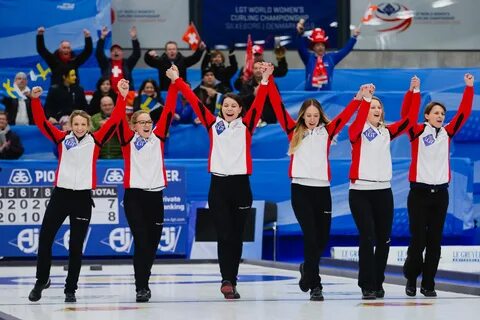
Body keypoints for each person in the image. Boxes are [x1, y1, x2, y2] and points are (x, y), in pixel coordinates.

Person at [169, 62, 273, 299]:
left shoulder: (247, 126)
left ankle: (232, 281)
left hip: (241, 186)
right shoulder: (212, 124)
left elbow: (259, 102)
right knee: (224, 234)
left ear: (240, 109)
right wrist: (177, 79)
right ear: (221, 108)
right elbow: (194, 102)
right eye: (225, 105)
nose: (229, 108)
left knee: (236, 237)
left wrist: (265, 80)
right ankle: (226, 279)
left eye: (233, 105)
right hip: (218, 186)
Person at [27, 79, 129, 303]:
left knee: (75, 246)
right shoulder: (62, 139)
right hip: (60, 195)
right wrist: (34, 101)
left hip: (82, 198)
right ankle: (41, 280)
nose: (80, 128)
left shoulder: (97, 141)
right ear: (70, 125)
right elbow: (41, 122)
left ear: (89, 125)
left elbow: (114, 121)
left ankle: (70, 289)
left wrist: (122, 97)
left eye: (84, 124)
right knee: (45, 239)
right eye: (77, 124)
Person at [267, 81, 370, 300]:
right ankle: (316, 285)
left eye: (315, 115)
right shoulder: (293, 130)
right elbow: (277, 106)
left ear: (320, 116)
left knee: (321, 239)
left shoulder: (328, 132)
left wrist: (359, 97)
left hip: (322, 191)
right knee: (311, 237)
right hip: (301, 190)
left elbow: (346, 115)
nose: (312, 119)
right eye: (308, 115)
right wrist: (268, 81)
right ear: (302, 116)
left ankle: (307, 270)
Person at [348, 77, 421, 299]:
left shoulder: (388, 131)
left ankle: (378, 282)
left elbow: (409, 120)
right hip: (360, 191)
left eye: (379, 107)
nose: (376, 109)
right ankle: (366, 284)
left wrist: (414, 93)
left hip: (383, 192)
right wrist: (365, 99)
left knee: (383, 240)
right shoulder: (357, 131)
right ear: (365, 110)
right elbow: (357, 123)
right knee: (367, 237)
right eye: (372, 107)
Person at [403, 74, 474, 298]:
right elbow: (408, 116)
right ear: (427, 116)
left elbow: (463, 114)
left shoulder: (447, 133)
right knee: (418, 241)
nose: (440, 116)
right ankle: (412, 279)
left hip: (440, 194)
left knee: (434, 241)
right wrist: (414, 92)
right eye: (436, 113)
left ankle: (429, 283)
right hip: (419, 194)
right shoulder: (417, 132)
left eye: (443, 113)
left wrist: (469, 88)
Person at [116, 67, 178, 302]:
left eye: (148, 121)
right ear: (133, 126)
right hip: (134, 197)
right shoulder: (126, 140)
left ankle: (145, 280)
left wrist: (173, 83)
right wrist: (122, 97)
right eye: (140, 122)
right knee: (141, 240)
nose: (146, 124)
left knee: (151, 245)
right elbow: (117, 119)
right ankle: (141, 286)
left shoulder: (158, 138)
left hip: (155, 197)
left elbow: (169, 109)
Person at [296, 20, 359, 91]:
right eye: (317, 45)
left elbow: (345, 50)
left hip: (326, 96)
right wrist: (299, 34)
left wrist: (354, 37)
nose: (320, 47)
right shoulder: (308, 58)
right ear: (313, 47)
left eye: (322, 45)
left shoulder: (331, 58)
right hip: (309, 96)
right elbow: (300, 47)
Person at [96, 26, 140, 92]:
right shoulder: (106, 64)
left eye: (118, 50)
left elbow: (136, 54)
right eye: (113, 51)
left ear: (122, 53)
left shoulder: (127, 64)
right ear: (110, 54)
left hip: (125, 94)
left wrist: (134, 38)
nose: (115, 52)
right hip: (109, 93)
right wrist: (102, 37)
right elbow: (99, 53)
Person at [239, 60, 278, 125]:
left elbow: (277, 102)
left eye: (260, 68)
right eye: (255, 68)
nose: (258, 70)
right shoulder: (246, 85)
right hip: (251, 121)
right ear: (253, 70)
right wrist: (253, 95)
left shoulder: (272, 84)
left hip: (269, 121)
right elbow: (241, 101)